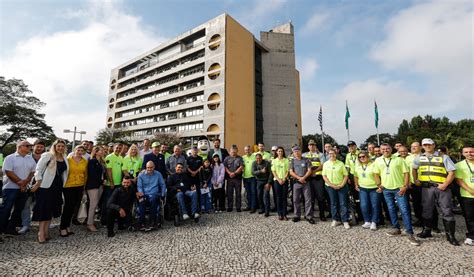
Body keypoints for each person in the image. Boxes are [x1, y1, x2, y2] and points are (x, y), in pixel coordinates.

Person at [413, 138, 459, 246]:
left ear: (434, 145)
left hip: (442, 187)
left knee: (447, 210)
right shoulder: (419, 157)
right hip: (426, 188)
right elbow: (414, 169)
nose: (427, 146)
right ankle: (427, 231)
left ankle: (450, 236)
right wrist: (415, 180)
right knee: (426, 210)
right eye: (425, 145)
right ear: (422, 146)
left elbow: (452, 172)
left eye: (430, 144)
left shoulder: (444, 157)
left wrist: (445, 184)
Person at [373, 143, 419, 246]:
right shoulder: (378, 160)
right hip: (386, 189)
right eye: (383, 149)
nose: (385, 150)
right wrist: (379, 185)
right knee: (391, 209)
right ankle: (396, 228)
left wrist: (405, 186)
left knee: (404, 210)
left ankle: (410, 233)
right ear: (380, 150)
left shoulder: (399, 159)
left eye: (387, 148)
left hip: (399, 189)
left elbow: (406, 173)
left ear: (391, 149)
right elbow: (375, 173)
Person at [30, 139, 69, 243]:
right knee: (44, 209)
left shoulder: (64, 157)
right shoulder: (48, 155)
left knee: (51, 209)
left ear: (65, 147)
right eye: (58, 146)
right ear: (54, 146)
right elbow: (38, 170)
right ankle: (41, 233)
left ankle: (46, 232)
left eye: (62, 146)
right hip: (45, 186)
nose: (60, 148)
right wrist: (38, 182)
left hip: (58, 186)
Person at [0, 141, 36, 238]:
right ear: (20, 147)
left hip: (24, 188)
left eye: (30, 146)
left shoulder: (30, 158)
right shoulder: (10, 158)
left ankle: (10, 229)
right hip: (10, 188)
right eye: (28, 146)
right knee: (6, 208)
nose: (30, 147)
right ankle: (1, 229)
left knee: (18, 209)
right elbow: (8, 171)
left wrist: (25, 183)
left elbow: (33, 172)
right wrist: (20, 183)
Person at [19, 139, 45, 235]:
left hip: (43, 185)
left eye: (41, 147)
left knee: (41, 204)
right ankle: (25, 224)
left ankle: (42, 223)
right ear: (33, 146)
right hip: (29, 184)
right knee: (26, 204)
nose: (39, 148)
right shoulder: (27, 157)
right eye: (37, 146)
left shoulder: (46, 157)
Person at [60, 145, 88, 237]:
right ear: (74, 150)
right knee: (68, 206)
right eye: (78, 149)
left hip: (79, 186)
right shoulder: (68, 160)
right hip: (68, 186)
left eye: (82, 150)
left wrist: (84, 188)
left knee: (74, 207)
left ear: (83, 152)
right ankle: (63, 227)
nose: (79, 151)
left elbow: (86, 175)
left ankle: (68, 226)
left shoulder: (85, 161)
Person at [322, 149, 350, 229]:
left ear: (336, 154)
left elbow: (345, 175)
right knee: (333, 203)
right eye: (330, 153)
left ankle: (345, 220)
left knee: (343, 204)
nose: (332, 155)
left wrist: (341, 184)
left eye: (333, 153)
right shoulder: (326, 164)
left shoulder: (341, 163)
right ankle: (335, 219)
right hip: (330, 187)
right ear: (328, 154)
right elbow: (324, 176)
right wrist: (331, 185)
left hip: (341, 186)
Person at [354, 151, 381, 230]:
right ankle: (367, 221)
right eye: (360, 157)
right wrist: (356, 185)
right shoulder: (358, 166)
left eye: (363, 156)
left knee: (374, 205)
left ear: (368, 157)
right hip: (363, 189)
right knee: (364, 205)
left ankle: (374, 222)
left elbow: (379, 175)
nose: (362, 158)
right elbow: (356, 176)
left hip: (374, 188)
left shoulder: (374, 165)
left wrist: (380, 186)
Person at [137, 161, 166, 230]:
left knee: (153, 200)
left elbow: (162, 185)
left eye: (151, 167)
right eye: (148, 167)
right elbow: (139, 186)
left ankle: (152, 221)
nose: (149, 169)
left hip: (154, 194)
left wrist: (162, 194)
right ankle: (142, 222)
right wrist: (141, 193)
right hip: (144, 194)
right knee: (141, 201)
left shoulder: (158, 174)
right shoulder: (141, 175)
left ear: (154, 167)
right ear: (146, 167)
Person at [303, 139, 327, 221]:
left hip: (318, 178)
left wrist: (314, 171)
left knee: (320, 197)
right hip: (309, 178)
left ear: (315, 146)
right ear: (308, 146)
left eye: (313, 145)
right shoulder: (305, 155)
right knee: (310, 197)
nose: (312, 146)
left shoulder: (320, 154)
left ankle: (322, 214)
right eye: (310, 145)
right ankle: (310, 215)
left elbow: (323, 165)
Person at [454, 146, 474, 246]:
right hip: (467, 195)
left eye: (471, 152)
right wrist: (470, 190)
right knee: (469, 216)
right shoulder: (459, 165)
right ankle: (471, 236)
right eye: (466, 152)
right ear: (462, 154)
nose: (469, 154)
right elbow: (459, 180)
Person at [290, 146, 314, 224]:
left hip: (306, 182)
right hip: (296, 182)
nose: (296, 153)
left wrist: (303, 178)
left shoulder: (306, 160)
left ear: (301, 151)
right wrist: (299, 178)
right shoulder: (292, 161)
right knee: (296, 199)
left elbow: (309, 170)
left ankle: (308, 216)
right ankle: (297, 215)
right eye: (295, 151)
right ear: (293, 153)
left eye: (298, 151)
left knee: (308, 200)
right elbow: (291, 172)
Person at [85, 146, 107, 232]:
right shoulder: (92, 161)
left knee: (96, 204)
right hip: (93, 186)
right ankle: (89, 224)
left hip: (100, 185)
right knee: (93, 205)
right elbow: (92, 174)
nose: (102, 152)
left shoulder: (101, 161)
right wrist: (102, 181)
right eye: (101, 150)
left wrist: (104, 180)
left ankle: (92, 221)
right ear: (96, 152)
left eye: (103, 150)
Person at [103, 143, 123, 226]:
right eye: (117, 148)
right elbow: (108, 170)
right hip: (110, 184)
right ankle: (104, 221)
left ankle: (113, 219)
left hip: (118, 184)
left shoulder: (121, 157)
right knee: (107, 203)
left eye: (120, 148)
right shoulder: (109, 157)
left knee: (116, 202)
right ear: (113, 148)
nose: (118, 149)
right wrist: (111, 182)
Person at [345, 140, 362, 222]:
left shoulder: (361, 153)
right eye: (349, 146)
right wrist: (347, 177)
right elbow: (347, 167)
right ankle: (359, 214)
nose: (351, 147)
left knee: (362, 195)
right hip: (352, 176)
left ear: (355, 146)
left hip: (361, 176)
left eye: (352, 146)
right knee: (356, 197)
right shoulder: (348, 155)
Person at [223, 145, 244, 212]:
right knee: (229, 193)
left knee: (238, 193)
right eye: (232, 152)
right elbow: (225, 167)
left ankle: (238, 207)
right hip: (229, 179)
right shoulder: (226, 158)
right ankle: (230, 207)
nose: (233, 153)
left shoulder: (240, 158)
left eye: (235, 152)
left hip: (237, 178)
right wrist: (229, 173)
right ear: (230, 151)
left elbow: (241, 167)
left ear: (237, 151)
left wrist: (234, 173)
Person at [271, 147, 290, 221]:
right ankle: (280, 214)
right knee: (278, 198)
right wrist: (279, 179)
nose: (280, 152)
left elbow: (287, 171)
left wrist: (284, 178)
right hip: (277, 181)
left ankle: (284, 214)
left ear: (283, 152)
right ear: (276, 152)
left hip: (284, 180)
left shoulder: (286, 160)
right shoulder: (274, 161)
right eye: (279, 151)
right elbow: (273, 171)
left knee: (284, 197)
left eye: (281, 151)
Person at [242, 145, 257, 212]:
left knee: (253, 192)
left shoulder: (254, 156)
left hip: (253, 177)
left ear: (250, 150)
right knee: (248, 192)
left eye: (248, 150)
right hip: (245, 177)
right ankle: (249, 205)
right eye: (246, 150)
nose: (247, 151)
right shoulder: (243, 157)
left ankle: (253, 207)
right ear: (244, 151)